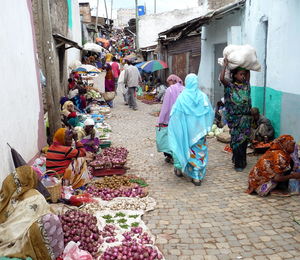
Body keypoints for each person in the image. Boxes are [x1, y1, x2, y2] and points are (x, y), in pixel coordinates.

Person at [0, 166, 63, 259]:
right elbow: (46, 212)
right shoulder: (36, 196)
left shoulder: (8, 195)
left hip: (4, 234)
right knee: (50, 220)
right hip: (18, 241)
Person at [168, 74, 214, 186]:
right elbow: (210, 113)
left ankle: (179, 169)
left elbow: (174, 114)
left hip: (186, 134)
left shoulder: (182, 98)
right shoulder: (203, 97)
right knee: (199, 153)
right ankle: (196, 176)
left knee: (183, 149)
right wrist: (205, 128)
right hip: (199, 134)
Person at [220, 59, 251, 172]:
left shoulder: (246, 86)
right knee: (236, 141)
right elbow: (222, 79)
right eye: (240, 74)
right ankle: (238, 164)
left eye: (244, 74)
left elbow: (248, 74)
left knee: (244, 142)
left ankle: (243, 161)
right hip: (236, 120)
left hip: (246, 120)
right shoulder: (230, 87)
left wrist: (246, 64)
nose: (243, 76)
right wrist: (224, 65)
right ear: (234, 75)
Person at [157, 74, 184, 163]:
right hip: (181, 119)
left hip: (169, 119)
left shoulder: (170, 90)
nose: (169, 84)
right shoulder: (184, 89)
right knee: (178, 138)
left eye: (169, 82)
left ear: (173, 80)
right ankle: (178, 156)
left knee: (168, 138)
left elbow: (165, 106)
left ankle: (170, 156)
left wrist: (161, 119)